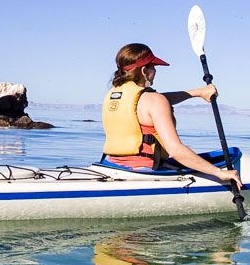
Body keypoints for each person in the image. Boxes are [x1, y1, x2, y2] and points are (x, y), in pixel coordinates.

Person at [101, 43, 242, 188]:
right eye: (153, 66)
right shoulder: (154, 101)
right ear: (144, 71)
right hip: (144, 171)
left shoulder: (115, 96)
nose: (155, 70)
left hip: (111, 165)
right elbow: (175, 151)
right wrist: (219, 173)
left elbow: (160, 100)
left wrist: (198, 92)